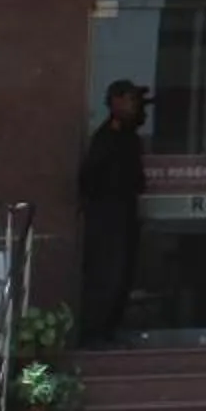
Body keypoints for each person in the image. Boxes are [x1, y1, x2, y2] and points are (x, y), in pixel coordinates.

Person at [77, 80, 150, 343]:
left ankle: (109, 331)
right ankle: (96, 334)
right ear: (116, 102)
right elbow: (89, 178)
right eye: (131, 100)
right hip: (108, 216)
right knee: (107, 275)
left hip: (125, 214)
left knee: (123, 275)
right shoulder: (108, 137)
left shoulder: (129, 137)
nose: (137, 107)